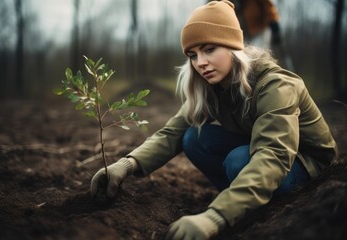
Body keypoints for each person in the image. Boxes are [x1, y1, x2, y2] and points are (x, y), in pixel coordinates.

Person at [90, 1, 339, 239]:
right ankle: (241, 201)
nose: (201, 63)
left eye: (209, 50)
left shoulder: (276, 86)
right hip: (260, 150)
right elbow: (171, 133)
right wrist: (127, 164)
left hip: (305, 163)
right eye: (193, 55)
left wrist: (215, 216)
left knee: (239, 160)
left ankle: (240, 208)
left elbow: (273, 155)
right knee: (194, 137)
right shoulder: (210, 85)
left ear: (232, 47)